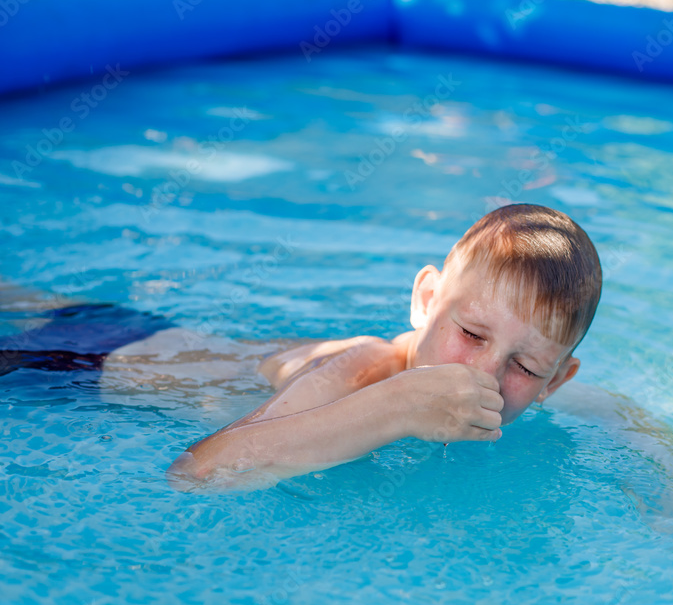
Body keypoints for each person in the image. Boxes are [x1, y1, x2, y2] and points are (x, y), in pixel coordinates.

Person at [166, 203, 603, 490]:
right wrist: (395, 408)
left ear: (555, 380)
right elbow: (194, 473)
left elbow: (620, 417)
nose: (485, 374)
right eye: (471, 335)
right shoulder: (358, 370)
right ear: (427, 302)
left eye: (524, 367)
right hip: (110, 360)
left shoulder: (550, 391)